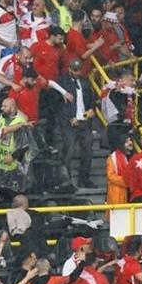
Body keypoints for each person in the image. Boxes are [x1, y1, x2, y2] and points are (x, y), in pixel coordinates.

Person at [57, 59, 96, 188]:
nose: (77, 73)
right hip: (69, 123)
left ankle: (84, 179)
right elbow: (59, 105)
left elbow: (91, 98)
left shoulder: (84, 81)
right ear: (69, 69)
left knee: (88, 149)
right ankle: (65, 180)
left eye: (79, 70)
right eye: (75, 70)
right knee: (69, 149)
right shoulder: (63, 82)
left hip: (84, 121)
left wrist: (91, 109)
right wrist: (70, 119)